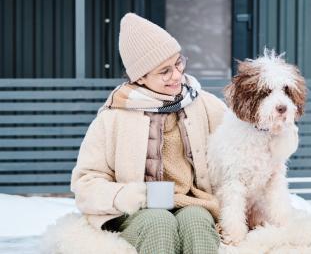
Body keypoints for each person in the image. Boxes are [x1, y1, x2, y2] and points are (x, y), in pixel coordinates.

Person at [70, 13, 226, 254]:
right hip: (135, 213)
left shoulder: (206, 105)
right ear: (140, 77)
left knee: (196, 220)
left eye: (178, 63)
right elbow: (86, 182)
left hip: (193, 202)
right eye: (164, 71)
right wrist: (129, 195)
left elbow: (238, 149)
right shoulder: (113, 116)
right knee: (158, 222)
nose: (176, 75)